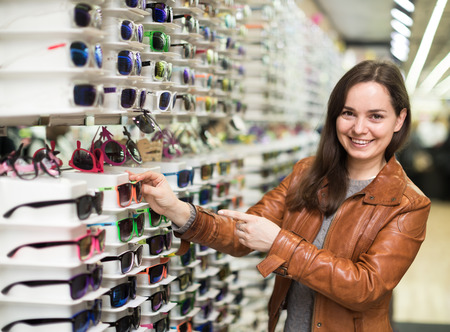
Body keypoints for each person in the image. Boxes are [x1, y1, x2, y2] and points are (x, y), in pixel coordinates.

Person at [129, 60, 431, 332]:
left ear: (399, 120)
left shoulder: (407, 204)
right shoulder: (307, 174)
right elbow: (241, 233)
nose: (359, 128)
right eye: (348, 113)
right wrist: (177, 208)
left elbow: (365, 288)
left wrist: (278, 244)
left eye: (376, 116)